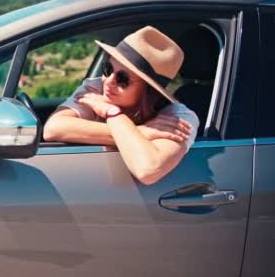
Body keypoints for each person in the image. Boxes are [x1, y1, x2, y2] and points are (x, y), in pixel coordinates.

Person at [43, 26, 199, 185]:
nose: (108, 81)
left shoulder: (179, 119)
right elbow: (53, 128)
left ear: (150, 91)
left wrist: (113, 113)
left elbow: (148, 170)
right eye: (108, 69)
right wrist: (139, 132)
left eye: (123, 79)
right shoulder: (97, 87)